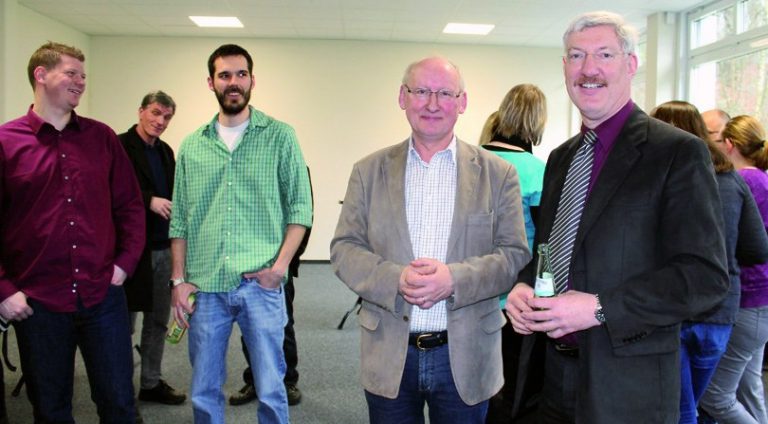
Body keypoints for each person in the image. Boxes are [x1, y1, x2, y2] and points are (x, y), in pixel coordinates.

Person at [504, 11, 729, 424]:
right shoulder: (561, 158)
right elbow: (552, 252)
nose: (588, 69)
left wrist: (599, 307)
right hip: (549, 379)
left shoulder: (676, 153)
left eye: (604, 55)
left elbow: (704, 276)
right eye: (577, 56)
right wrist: (524, 285)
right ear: (565, 67)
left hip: (626, 388)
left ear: (631, 64)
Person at [330, 56, 531, 424]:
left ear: (462, 102)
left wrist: (454, 279)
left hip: (467, 354)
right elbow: (344, 248)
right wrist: (395, 278)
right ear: (402, 97)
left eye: (445, 93)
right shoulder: (368, 171)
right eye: (421, 91)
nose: (432, 104)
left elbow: (514, 254)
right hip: (389, 351)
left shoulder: (498, 174)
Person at [0, 41, 145, 423]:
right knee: (51, 409)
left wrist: (124, 264)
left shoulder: (102, 138)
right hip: (38, 303)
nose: (81, 82)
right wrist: (4, 289)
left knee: (119, 403)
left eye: (83, 75)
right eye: (71, 73)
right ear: (41, 75)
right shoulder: (6, 142)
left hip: (103, 295)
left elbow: (130, 206)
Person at [169, 44, 312, 424]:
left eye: (241, 74)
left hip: (260, 286)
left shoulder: (280, 136)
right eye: (224, 75)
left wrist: (279, 268)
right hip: (205, 286)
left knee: (271, 388)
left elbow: (301, 209)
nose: (233, 82)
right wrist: (178, 280)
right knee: (204, 390)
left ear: (252, 80)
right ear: (211, 82)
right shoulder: (192, 145)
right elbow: (179, 220)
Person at [650, 101, 768, 424]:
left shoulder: (662, 180)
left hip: (674, 310)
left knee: (686, 408)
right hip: (720, 312)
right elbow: (757, 249)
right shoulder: (732, 180)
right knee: (703, 405)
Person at [478, 84, 547, 423]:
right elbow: (547, 239)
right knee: (513, 384)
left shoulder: (469, 159)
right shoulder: (536, 170)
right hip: (515, 294)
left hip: (471, 290)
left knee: (473, 380)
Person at [119, 90, 187, 408]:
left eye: (167, 117)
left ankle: (150, 382)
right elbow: (111, 190)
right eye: (156, 113)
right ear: (141, 111)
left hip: (162, 247)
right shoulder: (120, 146)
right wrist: (148, 200)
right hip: (131, 251)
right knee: (124, 323)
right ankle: (120, 386)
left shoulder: (165, 151)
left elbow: (174, 193)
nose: (160, 121)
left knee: (158, 320)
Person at [700, 115, 768, 424]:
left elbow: (744, 244)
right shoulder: (761, 179)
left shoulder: (742, 182)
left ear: (728, 144)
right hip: (761, 299)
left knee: (716, 396)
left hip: (749, 299)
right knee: (749, 386)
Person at [230, 170, 313, 407]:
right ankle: (255, 379)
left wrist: (282, 265)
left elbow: (304, 217)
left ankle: (287, 380)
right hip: (247, 265)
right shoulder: (247, 167)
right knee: (249, 324)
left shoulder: (295, 167)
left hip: (278, 268)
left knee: (282, 325)